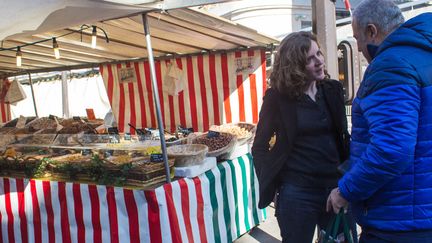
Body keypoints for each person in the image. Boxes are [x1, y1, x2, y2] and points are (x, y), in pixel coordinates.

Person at [326, 0, 432, 242]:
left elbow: (392, 149)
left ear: (372, 31)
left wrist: (345, 190)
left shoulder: (390, 65)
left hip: (399, 221)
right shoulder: (424, 54)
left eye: (357, 38)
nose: (359, 48)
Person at [252, 31, 352, 242]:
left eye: (319, 54)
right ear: (295, 66)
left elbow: (343, 138)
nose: (319, 62)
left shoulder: (332, 89)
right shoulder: (277, 98)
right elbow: (259, 146)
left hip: (335, 189)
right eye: (310, 59)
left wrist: (348, 183)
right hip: (297, 194)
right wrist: (272, 181)